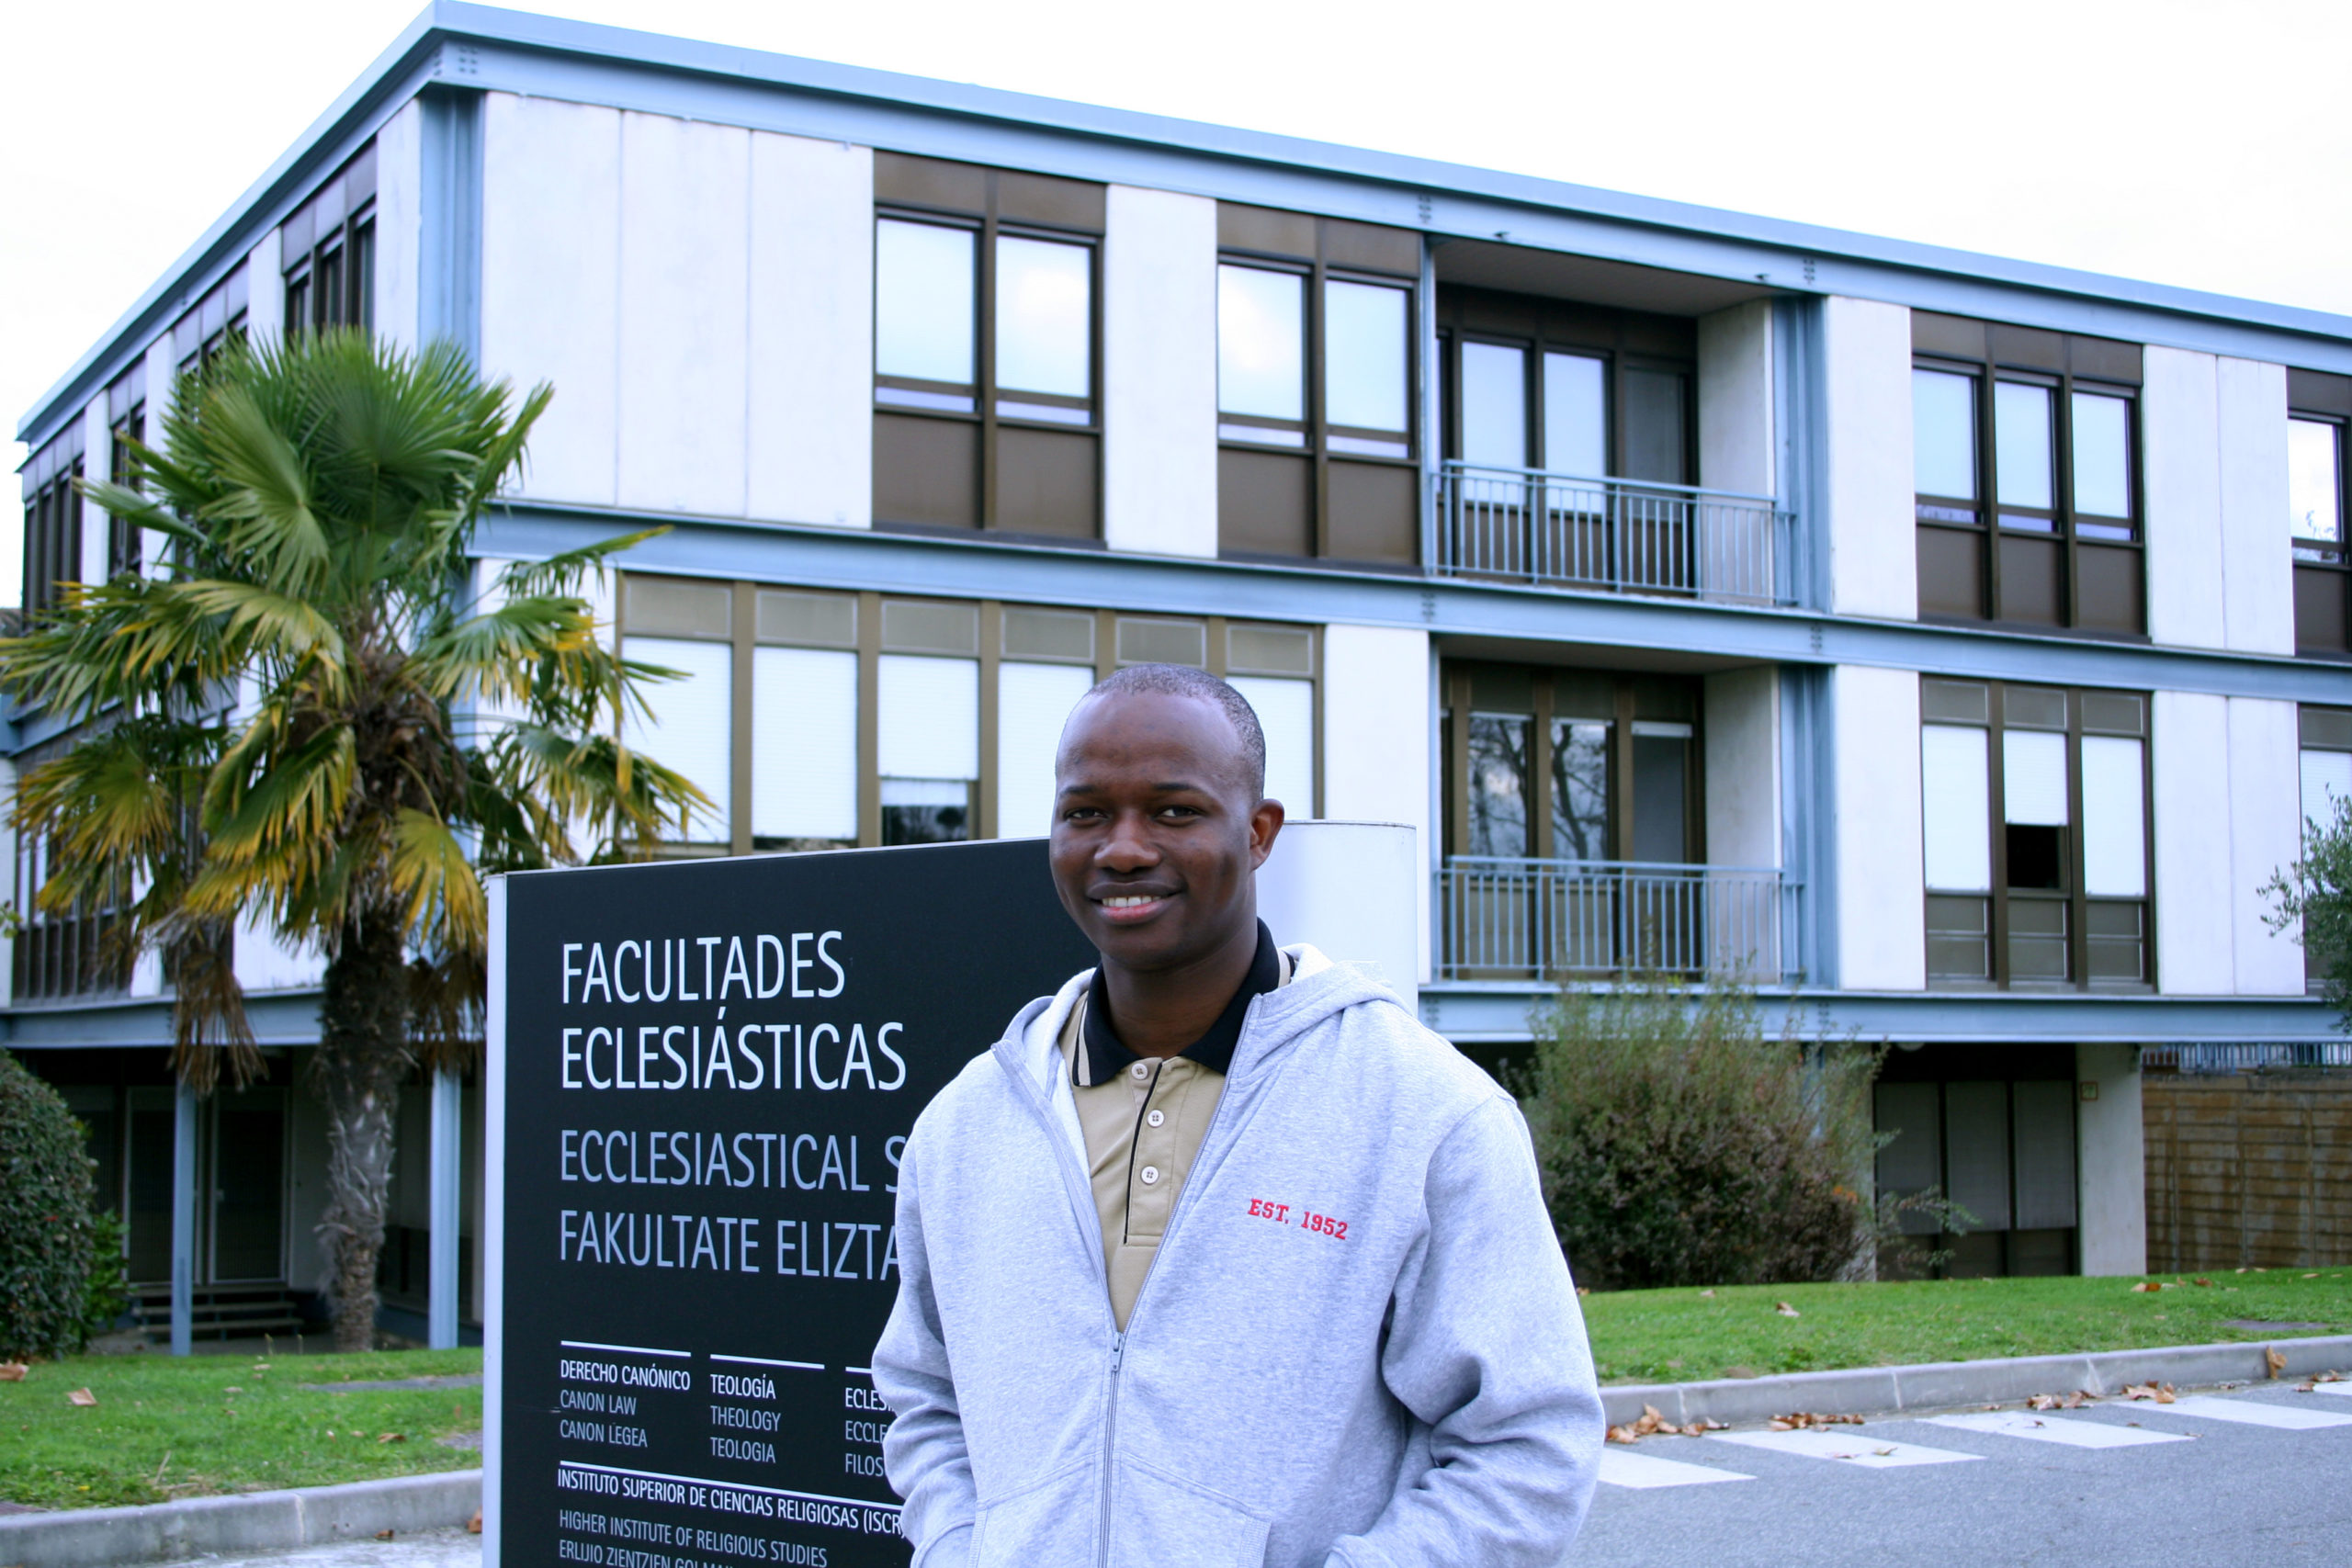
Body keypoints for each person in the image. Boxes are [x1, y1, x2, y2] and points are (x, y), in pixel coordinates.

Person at [872, 664, 1602, 1567]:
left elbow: (1526, 1446)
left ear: (1257, 834)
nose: (1123, 848)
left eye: (1174, 810)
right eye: (1086, 812)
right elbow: (924, 1393)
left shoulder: (1423, 1117)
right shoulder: (968, 1127)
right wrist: (957, 1547)